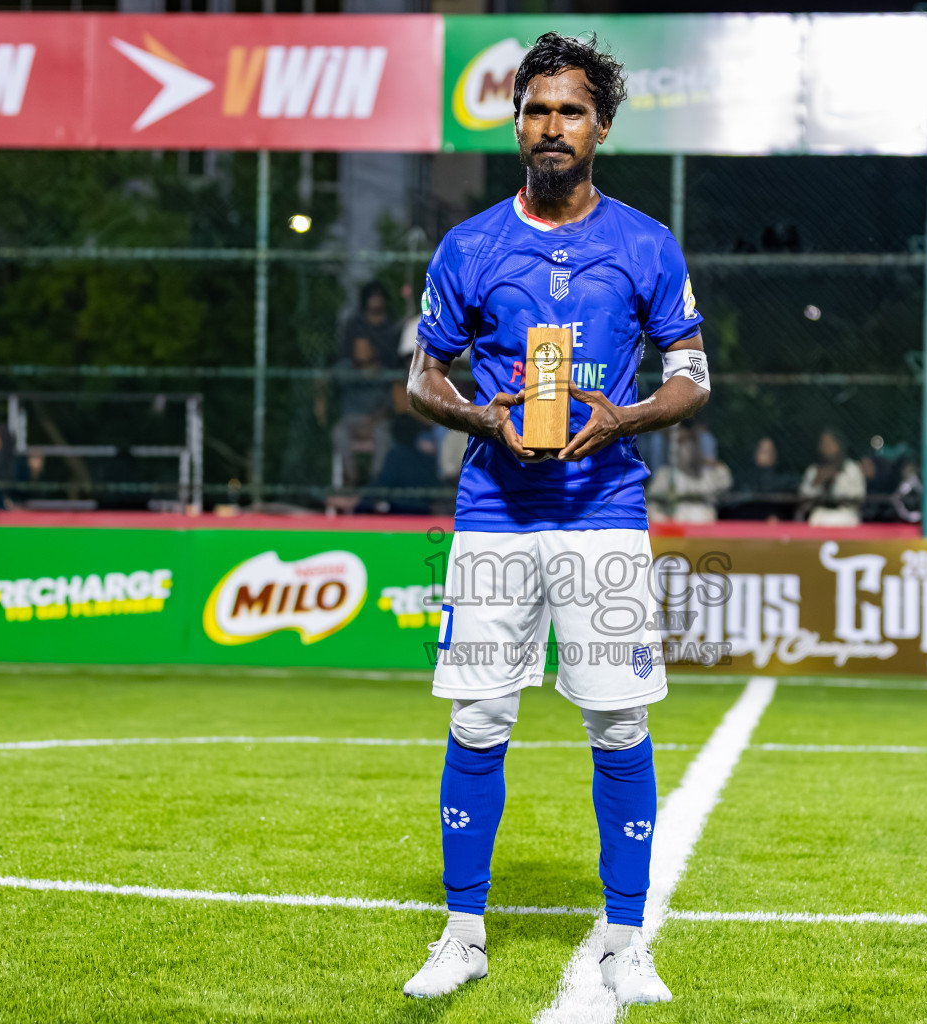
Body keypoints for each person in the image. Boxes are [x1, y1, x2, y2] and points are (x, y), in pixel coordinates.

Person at [401, 32, 706, 1004]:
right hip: (494, 512)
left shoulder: (646, 244)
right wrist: (480, 416)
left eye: (570, 110)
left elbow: (692, 375)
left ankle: (627, 941)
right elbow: (422, 379)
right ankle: (463, 934)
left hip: (605, 511)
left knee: (618, 723)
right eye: (536, 109)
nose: (551, 125)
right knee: (480, 716)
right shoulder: (471, 246)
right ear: (516, 123)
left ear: (601, 127)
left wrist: (626, 415)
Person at [325, 334, 395, 486]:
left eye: (364, 348)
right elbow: (331, 378)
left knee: (383, 434)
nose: (360, 352)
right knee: (338, 431)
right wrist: (362, 374)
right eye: (357, 349)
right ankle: (350, 475)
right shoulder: (345, 367)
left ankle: (376, 480)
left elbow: (388, 406)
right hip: (350, 420)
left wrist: (372, 421)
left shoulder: (382, 372)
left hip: (375, 421)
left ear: (373, 350)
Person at [647, 424, 732, 522]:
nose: (686, 447)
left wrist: (712, 463)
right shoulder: (666, 474)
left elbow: (726, 483)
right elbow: (651, 500)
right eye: (681, 442)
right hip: (675, 525)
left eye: (690, 441)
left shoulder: (707, 474)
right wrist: (661, 517)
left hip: (703, 524)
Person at [370, 414, 441, 515]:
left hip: (398, 513)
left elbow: (384, 487)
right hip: (423, 513)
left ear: (394, 433)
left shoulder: (394, 456)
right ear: (416, 433)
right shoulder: (427, 459)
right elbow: (433, 490)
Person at [798, 429, 866, 527]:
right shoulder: (813, 470)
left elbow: (859, 496)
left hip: (846, 515)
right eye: (823, 443)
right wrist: (817, 482)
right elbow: (803, 502)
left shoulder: (851, 468)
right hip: (820, 515)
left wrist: (836, 481)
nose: (826, 447)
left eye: (830, 443)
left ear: (838, 445)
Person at [727, 435, 797, 520]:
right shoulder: (743, 478)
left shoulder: (783, 479)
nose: (767, 454)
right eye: (763, 450)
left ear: (775, 455)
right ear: (755, 453)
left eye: (770, 451)